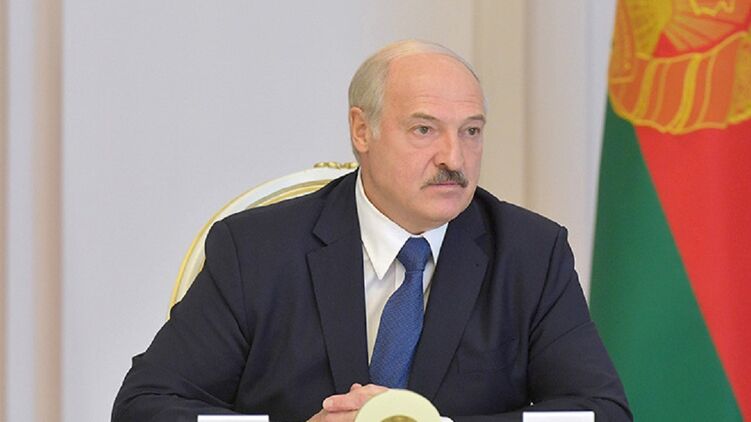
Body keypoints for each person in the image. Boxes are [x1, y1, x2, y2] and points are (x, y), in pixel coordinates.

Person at [112, 40, 632, 422]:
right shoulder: (257, 251)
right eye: (424, 129)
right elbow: (146, 406)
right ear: (362, 130)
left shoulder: (530, 253)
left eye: (471, 132)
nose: (455, 158)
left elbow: (600, 412)